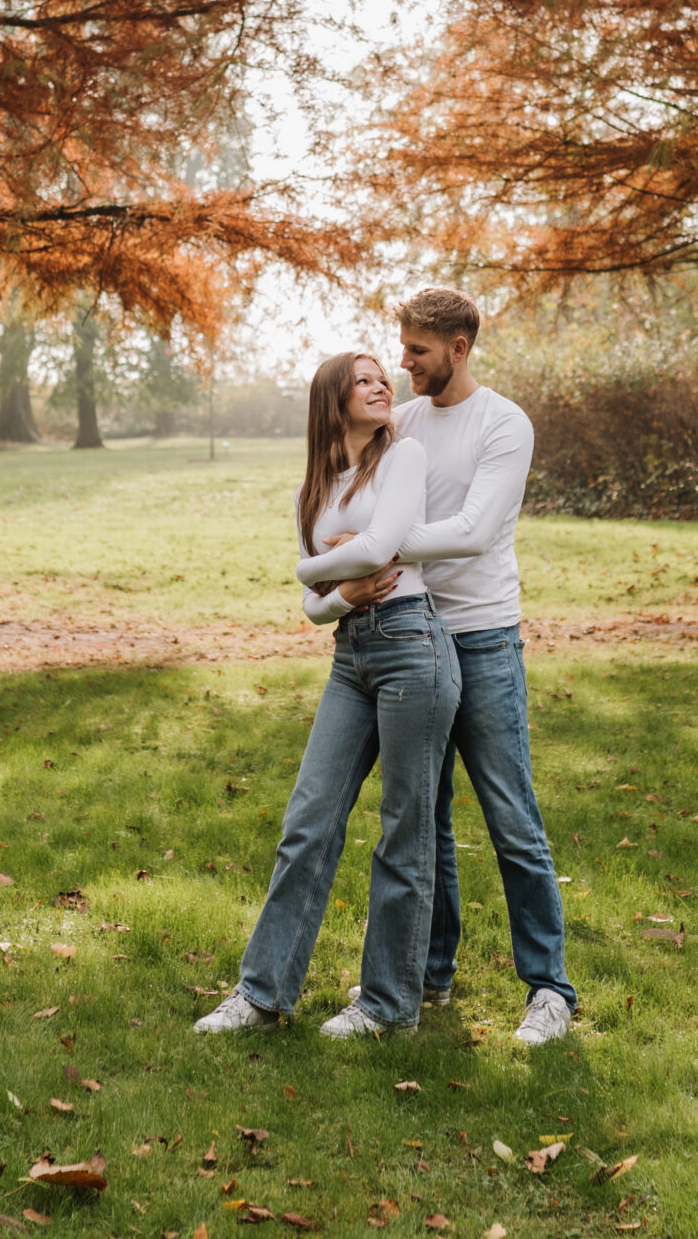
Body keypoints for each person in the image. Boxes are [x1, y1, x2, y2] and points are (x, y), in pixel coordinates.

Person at [314, 288, 575, 1046]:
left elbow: (472, 530)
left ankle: (549, 989)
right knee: (423, 815)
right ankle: (428, 971)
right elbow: (352, 494)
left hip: (484, 638)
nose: (403, 362)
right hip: (412, 638)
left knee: (511, 816)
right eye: (402, 345)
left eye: (419, 350)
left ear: (459, 348)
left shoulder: (504, 423)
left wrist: (375, 547)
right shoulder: (406, 423)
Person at [194, 352, 461, 1039]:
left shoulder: (400, 461)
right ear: (333, 398)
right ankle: (262, 994)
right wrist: (333, 582)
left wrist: (321, 569)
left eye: (384, 379)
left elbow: (379, 548)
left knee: (405, 827)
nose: (383, 386)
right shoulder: (312, 490)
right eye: (365, 378)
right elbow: (317, 604)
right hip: (352, 655)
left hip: (412, 645)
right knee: (308, 821)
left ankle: (387, 1005)